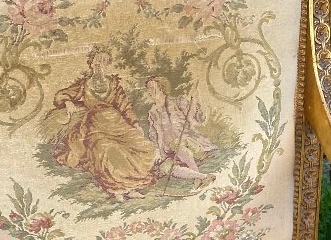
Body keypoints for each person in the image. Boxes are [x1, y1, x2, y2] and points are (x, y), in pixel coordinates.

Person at [51, 47, 157, 196]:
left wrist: (136, 124)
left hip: (118, 124)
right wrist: (68, 101)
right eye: (98, 60)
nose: (100, 63)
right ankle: (120, 189)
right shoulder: (84, 84)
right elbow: (60, 95)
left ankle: (131, 186)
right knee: (106, 148)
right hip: (95, 124)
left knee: (142, 145)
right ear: (91, 62)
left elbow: (125, 105)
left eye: (104, 61)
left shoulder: (113, 84)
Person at [144, 74, 217, 186]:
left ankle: (197, 180)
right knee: (170, 169)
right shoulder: (152, 113)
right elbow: (153, 135)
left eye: (152, 88)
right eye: (148, 89)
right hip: (169, 152)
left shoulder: (178, 101)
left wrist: (195, 101)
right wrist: (158, 152)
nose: (149, 91)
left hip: (189, 143)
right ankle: (202, 177)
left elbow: (197, 117)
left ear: (161, 88)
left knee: (178, 146)